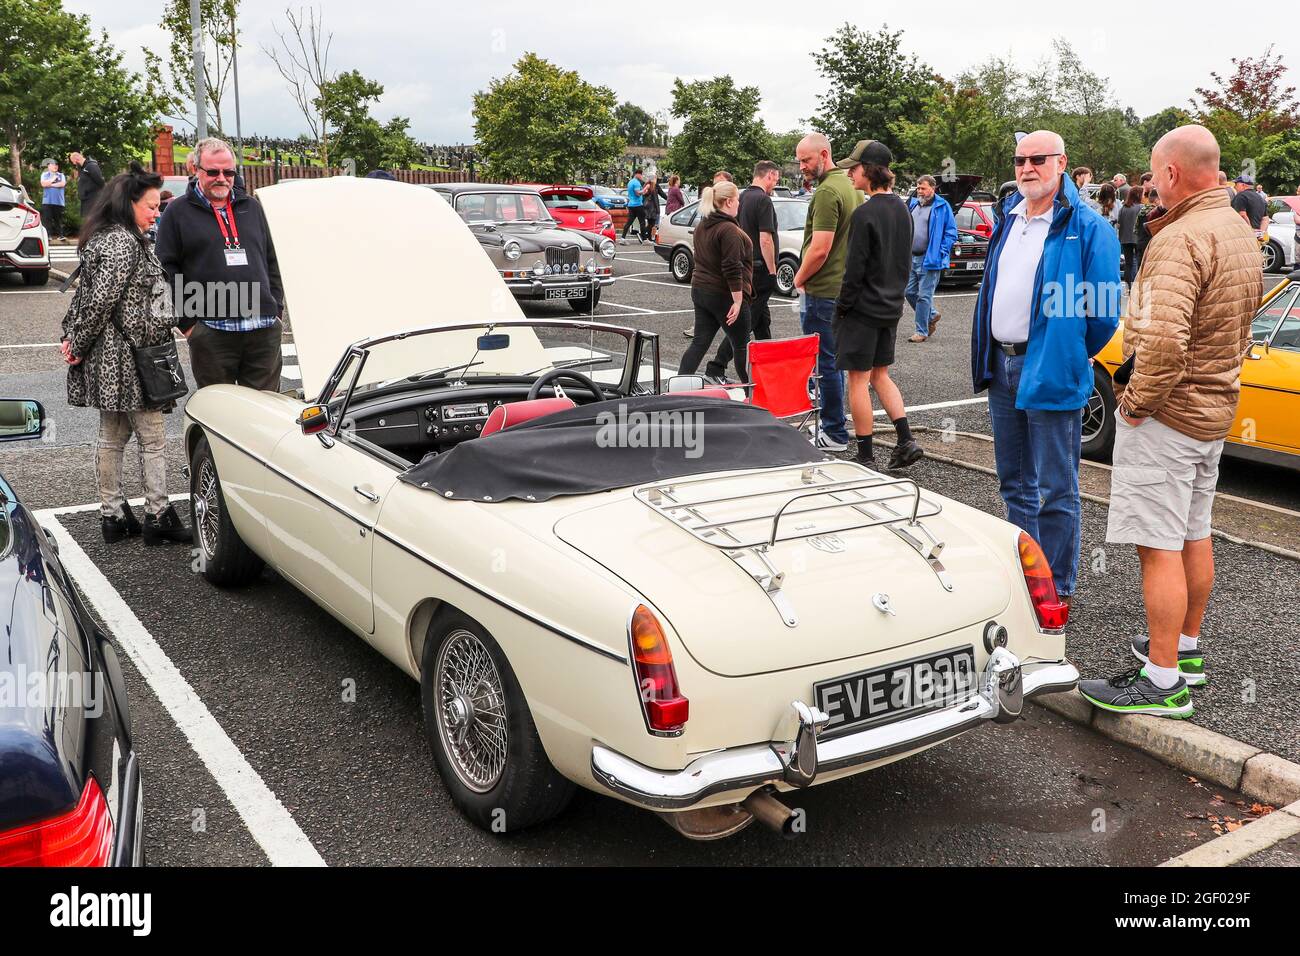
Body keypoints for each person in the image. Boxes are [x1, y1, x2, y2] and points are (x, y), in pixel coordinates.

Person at [1079, 125, 1262, 718]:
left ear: (1173, 174)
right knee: (1192, 531)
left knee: (1156, 545)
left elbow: (1161, 342)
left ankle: (1161, 681)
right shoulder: (1237, 228)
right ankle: (1184, 648)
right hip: (1213, 410)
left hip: (1169, 414)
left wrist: (1133, 406)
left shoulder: (1180, 238)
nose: (1149, 182)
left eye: (1154, 172)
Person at [970, 129, 1121, 606]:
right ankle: (1025, 578)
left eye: (1038, 159)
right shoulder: (1008, 220)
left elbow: (1103, 314)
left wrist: (1063, 350)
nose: (1027, 168)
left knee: (1057, 488)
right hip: (1003, 364)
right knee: (1014, 483)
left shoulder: (1090, 227)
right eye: (1020, 160)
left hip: (1050, 369)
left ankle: (1056, 588)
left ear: (1061, 163)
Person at [59, 163, 192, 546]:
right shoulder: (121, 243)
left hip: (118, 356)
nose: (156, 212)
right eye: (150, 206)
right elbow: (98, 301)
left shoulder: (118, 238)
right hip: (130, 359)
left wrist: (75, 341)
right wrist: (76, 344)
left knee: (112, 435)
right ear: (127, 202)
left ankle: (114, 515)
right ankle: (158, 515)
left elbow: (90, 298)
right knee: (152, 438)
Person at [155, 137, 285, 390]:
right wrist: (188, 325)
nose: (222, 178)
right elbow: (165, 271)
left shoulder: (252, 207)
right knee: (219, 412)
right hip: (212, 332)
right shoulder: (177, 212)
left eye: (228, 172)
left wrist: (276, 309)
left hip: (263, 328)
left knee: (265, 413)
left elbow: (271, 259)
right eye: (213, 172)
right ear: (195, 169)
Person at [833, 140, 921, 470]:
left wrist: (842, 307)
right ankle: (905, 439)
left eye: (854, 168)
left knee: (857, 379)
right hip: (891, 307)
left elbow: (854, 270)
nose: (850, 173)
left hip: (862, 310)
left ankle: (865, 455)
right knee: (880, 375)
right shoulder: (903, 209)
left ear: (869, 171)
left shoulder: (865, 213)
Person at [793, 132, 862, 450]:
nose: (802, 167)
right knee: (836, 361)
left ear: (823, 154)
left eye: (806, 160)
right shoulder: (851, 186)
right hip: (845, 288)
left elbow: (820, 248)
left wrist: (798, 278)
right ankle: (838, 423)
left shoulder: (826, 191)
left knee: (825, 363)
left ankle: (834, 432)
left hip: (823, 290)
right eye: (799, 161)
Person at [705, 160, 780, 380]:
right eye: (776, 178)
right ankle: (716, 366)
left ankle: (769, 366)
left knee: (761, 321)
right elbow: (765, 239)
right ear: (769, 176)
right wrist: (773, 270)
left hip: (745, 267)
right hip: (759, 269)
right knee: (746, 322)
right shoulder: (764, 201)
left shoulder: (742, 197)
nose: (776, 182)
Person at [678, 181, 752, 383]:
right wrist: (737, 301)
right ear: (728, 201)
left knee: (699, 342)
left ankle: (678, 387)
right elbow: (731, 267)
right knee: (742, 345)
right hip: (723, 294)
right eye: (737, 199)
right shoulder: (727, 229)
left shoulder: (703, 225)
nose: (739, 204)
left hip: (701, 290)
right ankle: (752, 393)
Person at [904, 174, 957, 343]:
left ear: (933, 188)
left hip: (930, 259)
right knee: (909, 292)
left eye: (923, 188)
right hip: (912, 257)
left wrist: (941, 251)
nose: (920, 191)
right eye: (918, 188)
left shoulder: (942, 206)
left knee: (923, 296)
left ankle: (921, 331)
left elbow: (951, 232)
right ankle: (932, 314)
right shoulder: (913, 204)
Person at [1117, 184, 1143, 284]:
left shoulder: (1123, 208)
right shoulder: (1141, 208)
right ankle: (1136, 283)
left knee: (1128, 263)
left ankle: (1128, 286)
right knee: (1138, 262)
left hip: (1125, 238)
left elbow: (1119, 224)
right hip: (1137, 238)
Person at [69, 151, 105, 217]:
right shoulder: (82, 168)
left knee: (93, 221)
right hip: (85, 200)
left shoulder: (91, 166)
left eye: (73, 162)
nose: (74, 164)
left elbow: (101, 182)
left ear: (77, 159)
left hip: (93, 200)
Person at [40, 160, 67, 242]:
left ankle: (61, 235)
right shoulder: (44, 175)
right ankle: (48, 236)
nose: (55, 166)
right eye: (53, 165)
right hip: (47, 201)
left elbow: (62, 184)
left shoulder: (61, 175)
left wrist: (50, 184)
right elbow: (43, 184)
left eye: (56, 165)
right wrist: (53, 179)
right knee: (47, 219)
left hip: (59, 201)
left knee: (58, 219)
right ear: (48, 166)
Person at [622, 168, 647, 242]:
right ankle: (644, 240)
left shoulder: (630, 182)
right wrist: (644, 190)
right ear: (638, 174)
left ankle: (623, 238)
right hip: (638, 205)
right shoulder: (636, 182)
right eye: (641, 175)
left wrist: (642, 192)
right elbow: (637, 193)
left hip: (631, 205)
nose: (641, 176)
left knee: (629, 222)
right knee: (642, 222)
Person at [642, 173, 667, 243]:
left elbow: (643, 196)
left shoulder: (646, 185)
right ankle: (645, 236)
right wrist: (668, 199)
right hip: (653, 208)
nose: (656, 179)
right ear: (653, 179)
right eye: (655, 178)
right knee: (652, 223)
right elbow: (662, 194)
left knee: (650, 223)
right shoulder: (654, 186)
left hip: (647, 207)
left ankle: (648, 237)